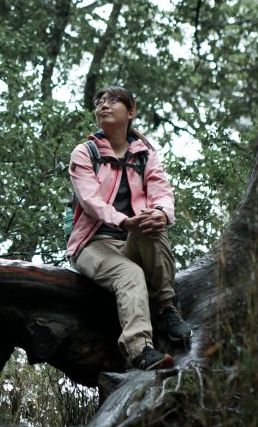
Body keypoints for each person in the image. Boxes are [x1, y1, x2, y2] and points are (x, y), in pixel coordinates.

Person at [66, 85, 192, 371]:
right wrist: (123, 220)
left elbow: (162, 191)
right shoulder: (85, 153)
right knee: (130, 273)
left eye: (113, 101)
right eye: (99, 102)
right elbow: (90, 201)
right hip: (93, 244)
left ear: (131, 112)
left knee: (152, 224)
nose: (103, 106)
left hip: (131, 242)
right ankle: (140, 350)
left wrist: (161, 214)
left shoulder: (145, 154)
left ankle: (166, 308)